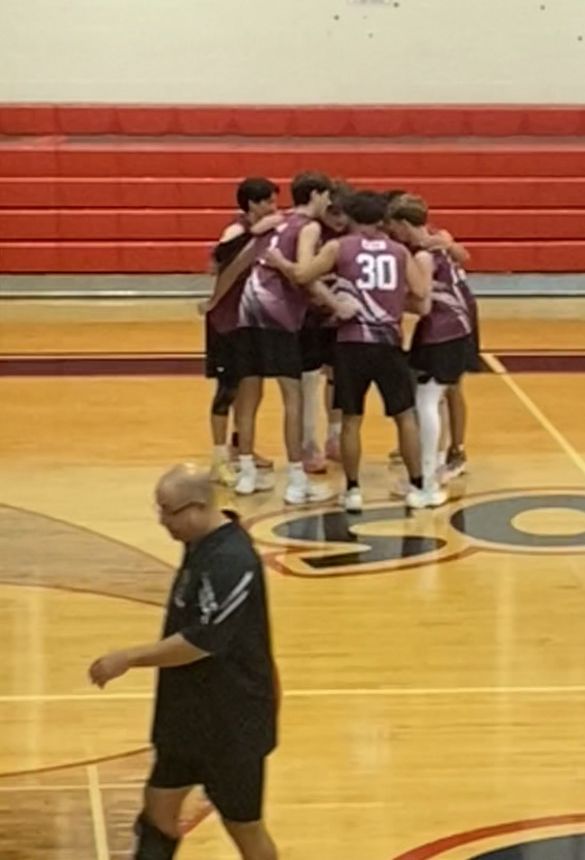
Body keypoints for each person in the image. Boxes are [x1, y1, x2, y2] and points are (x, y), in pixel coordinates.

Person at [88, 464, 279, 860]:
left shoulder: (232, 560)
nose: (162, 521)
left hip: (231, 720)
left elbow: (202, 641)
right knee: (157, 813)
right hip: (188, 711)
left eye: (168, 511)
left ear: (196, 507)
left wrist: (128, 657)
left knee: (244, 827)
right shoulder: (200, 545)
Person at [265, 189, 445, 511]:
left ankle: (352, 490)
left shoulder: (339, 246)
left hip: (351, 343)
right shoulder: (399, 251)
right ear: (383, 220)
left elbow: (304, 276)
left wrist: (289, 266)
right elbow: (420, 293)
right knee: (404, 417)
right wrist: (389, 298)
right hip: (389, 341)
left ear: (349, 217)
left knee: (351, 419)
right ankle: (419, 486)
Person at [203, 172, 354, 504]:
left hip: (247, 309)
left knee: (248, 392)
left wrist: (215, 301)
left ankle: (246, 474)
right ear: (316, 194)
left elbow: (238, 260)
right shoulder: (309, 227)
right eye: (326, 194)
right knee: (293, 395)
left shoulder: (274, 221)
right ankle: (298, 481)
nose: (329, 201)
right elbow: (304, 275)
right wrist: (335, 304)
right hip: (277, 313)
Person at [386, 194, 475, 497]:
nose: (392, 233)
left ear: (403, 223)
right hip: (453, 327)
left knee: (427, 401)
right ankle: (431, 467)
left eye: (394, 226)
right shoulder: (435, 243)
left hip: (443, 330)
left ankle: (427, 475)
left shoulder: (425, 255)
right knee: (430, 398)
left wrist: (384, 301)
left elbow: (422, 304)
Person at [205, 178, 279, 486]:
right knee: (228, 388)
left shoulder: (269, 234)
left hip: (252, 320)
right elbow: (216, 261)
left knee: (253, 389)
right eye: (268, 202)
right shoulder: (236, 232)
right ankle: (219, 458)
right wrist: (254, 233)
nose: (274, 208)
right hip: (227, 321)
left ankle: (240, 445)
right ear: (252, 204)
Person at [298, 181, 352, 473]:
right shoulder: (312, 232)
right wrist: (330, 299)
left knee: (338, 378)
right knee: (308, 382)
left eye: (344, 214)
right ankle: (309, 444)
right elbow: (304, 274)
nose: (340, 221)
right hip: (309, 315)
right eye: (334, 214)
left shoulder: (352, 236)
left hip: (339, 319)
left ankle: (334, 437)